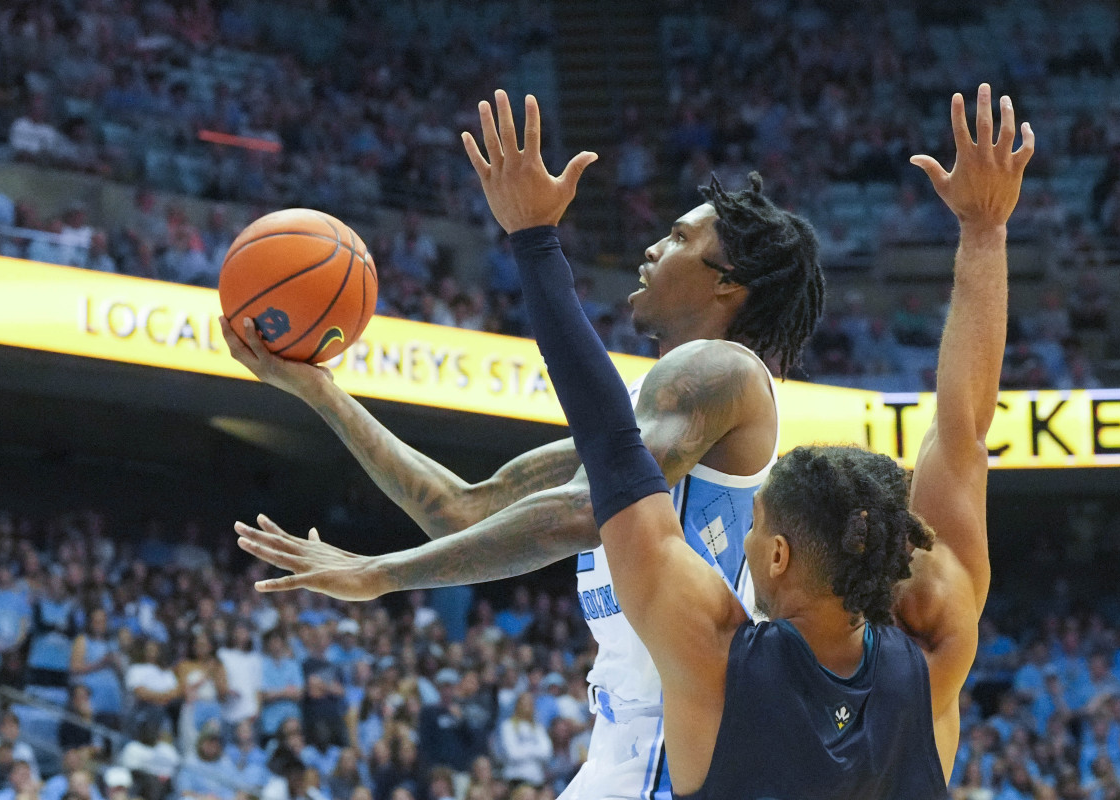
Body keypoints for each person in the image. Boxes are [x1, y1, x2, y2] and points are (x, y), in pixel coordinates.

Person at [228, 85, 824, 798]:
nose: (652, 246)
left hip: (682, 746)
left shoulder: (721, 371)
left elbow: (580, 513)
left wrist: (383, 572)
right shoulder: (658, 406)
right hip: (632, 744)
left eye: (679, 239)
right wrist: (319, 390)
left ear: (730, 285)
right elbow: (464, 508)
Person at [442, 85, 1028, 797]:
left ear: (778, 556)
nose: (743, 551)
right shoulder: (938, 646)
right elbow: (964, 427)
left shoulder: (722, 667)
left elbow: (617, 457)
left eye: (755, 525)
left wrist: (534, 242)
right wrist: (987, 231)